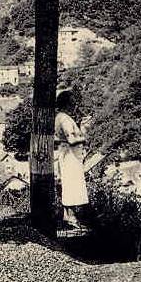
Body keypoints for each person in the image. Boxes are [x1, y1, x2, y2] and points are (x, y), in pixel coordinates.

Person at [55, 88, 88, 229]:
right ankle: (71, 217)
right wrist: (83, 133)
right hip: (70, 155)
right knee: (72, 185)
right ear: (67, 103)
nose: (74, 105)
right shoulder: (65, 119)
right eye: (72, 102)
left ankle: (68, 215)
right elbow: (72, 140)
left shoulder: (60, 117)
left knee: (69, 184)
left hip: (66, 153)